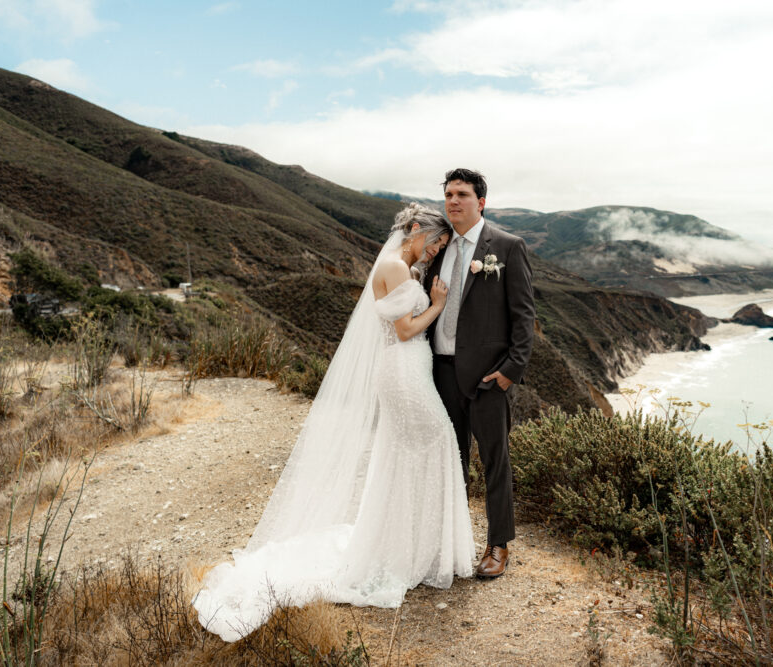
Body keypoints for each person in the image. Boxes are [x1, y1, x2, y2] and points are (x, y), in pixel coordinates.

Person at [192, 203, 475, 642]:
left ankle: (415, 546)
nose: (434, 251)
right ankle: (419, 549)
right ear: (416, 229)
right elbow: (404, 330)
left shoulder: (399, 265)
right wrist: (437, 304)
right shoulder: (395, 268)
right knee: (438, 440)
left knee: (407, 454)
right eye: (434, 242)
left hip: (407, 371)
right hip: (403, 371)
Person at [425, 169, 535, 579]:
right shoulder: (438, 250)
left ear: (481, 203)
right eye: (449, 194)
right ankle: (450, 543)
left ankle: (498, 546)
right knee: (450, 461)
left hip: (488, 377)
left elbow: (524, 317)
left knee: (494, 462)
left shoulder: (506, 247)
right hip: (440, 371)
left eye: (462, 195)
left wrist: (509, 372)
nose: (453, 201)